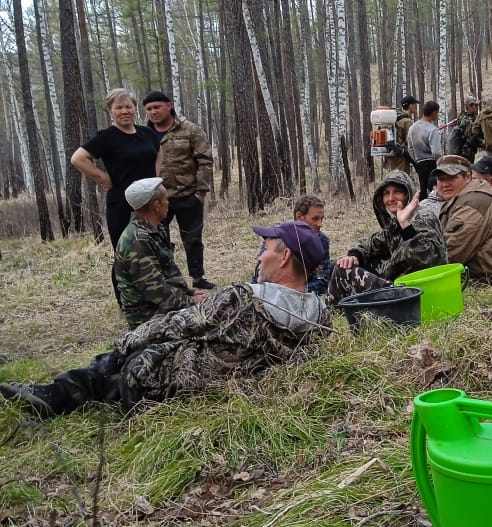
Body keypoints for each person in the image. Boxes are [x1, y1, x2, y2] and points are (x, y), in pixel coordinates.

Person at [0, 222, 331, 418]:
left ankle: (52, 396)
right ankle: (68, 396)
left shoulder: (244, 296)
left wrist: (122, 343)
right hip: (228, 383)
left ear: (285, 256)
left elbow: (178, 322)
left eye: (267, 248)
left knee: (135, 355)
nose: (261, 255)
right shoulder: (320, 316)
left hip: (178, 382)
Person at [327, 170, 447, 305]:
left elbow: (431, 259)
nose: (390, 198)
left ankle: (328, 314)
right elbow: (371, 242)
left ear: (408, 193)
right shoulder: (396, 222)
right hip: (401, 286)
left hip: (415, 293)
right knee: (340, 263)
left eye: (397, 192)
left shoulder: (422, 218)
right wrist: (355, 255)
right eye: (386, 193)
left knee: (343, 270)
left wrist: (406, 226)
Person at [143, 90, 215, 290]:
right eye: (149, 109)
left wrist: (200, 193)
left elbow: (205, 160)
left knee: (192, 239)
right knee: (158, 240)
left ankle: (198, 278)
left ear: (169, 106)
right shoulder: (144, 134)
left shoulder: (190, 130)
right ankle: (167, 280)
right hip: (156, 198)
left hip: (187, 195)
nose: (153, 112)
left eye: (157, 107)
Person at [71, 88, 160, 251]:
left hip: (150, 203)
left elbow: (159, 153)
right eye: (118, 108)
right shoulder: (106, 137)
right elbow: (78, 158)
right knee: (127, 253)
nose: (124, 111)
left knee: (156, 251)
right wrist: (102, 177)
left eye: (128, 106)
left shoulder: (147, 133)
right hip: (122, 205)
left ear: (135, 108)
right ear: (110, 111)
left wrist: (158, 181)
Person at [115, 178, 204, 328]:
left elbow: (168, 275)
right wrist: (191, 302)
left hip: (164, 307)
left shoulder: (154, 230)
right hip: (148, 318)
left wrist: (189, 292)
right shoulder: (137, 242)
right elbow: (157, 292)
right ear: (156, 206)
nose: (168, 203)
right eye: (166, 199)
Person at [435, 155, 492, 282]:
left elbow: (450, 254)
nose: (445, 184)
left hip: (485, 280)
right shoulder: (465, 198)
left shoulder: (473, 204)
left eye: (452, 178)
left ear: (468, 177)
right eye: (441, 179)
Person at [292, 194, 332, 295]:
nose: (320, 224)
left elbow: (322, 281)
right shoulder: (278, 239)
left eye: (321, 219)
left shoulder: (322, 241)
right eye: (315, 219)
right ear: (299, 217)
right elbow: (260, 278)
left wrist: (299, 292)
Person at [406, 100, 443, 199]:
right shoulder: (432, 129)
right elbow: (436, 151)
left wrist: (417, 160)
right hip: (432, 163)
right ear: (434, 113)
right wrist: (440, 163)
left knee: (423, 189)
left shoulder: (412, 128)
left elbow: (410, 148)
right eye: (437, 113)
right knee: (434, 190)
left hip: (419, 163)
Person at [385, 95, 419, 174]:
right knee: (401, 177)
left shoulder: (396, 117)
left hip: (393, 154)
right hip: (402, 156)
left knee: (394, 176)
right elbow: (410, 142)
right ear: (410, 106)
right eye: (415, 104)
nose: (416, 107)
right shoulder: (407, 121)